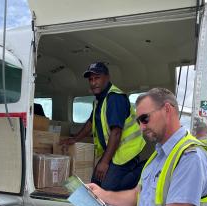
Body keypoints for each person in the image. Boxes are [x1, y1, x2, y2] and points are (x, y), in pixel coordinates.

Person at [60, 62, 146, 191]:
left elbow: (116, 132)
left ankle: (144, 170)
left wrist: (104, 162)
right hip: (114, 153)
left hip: (127, 153)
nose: (93, 82)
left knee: (108, 187)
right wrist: (75, 139)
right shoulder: (100, 100)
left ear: (107, 77)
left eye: (97, 78)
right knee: (96, 184)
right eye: (91, 79)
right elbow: (90, 123)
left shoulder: (115, 98)